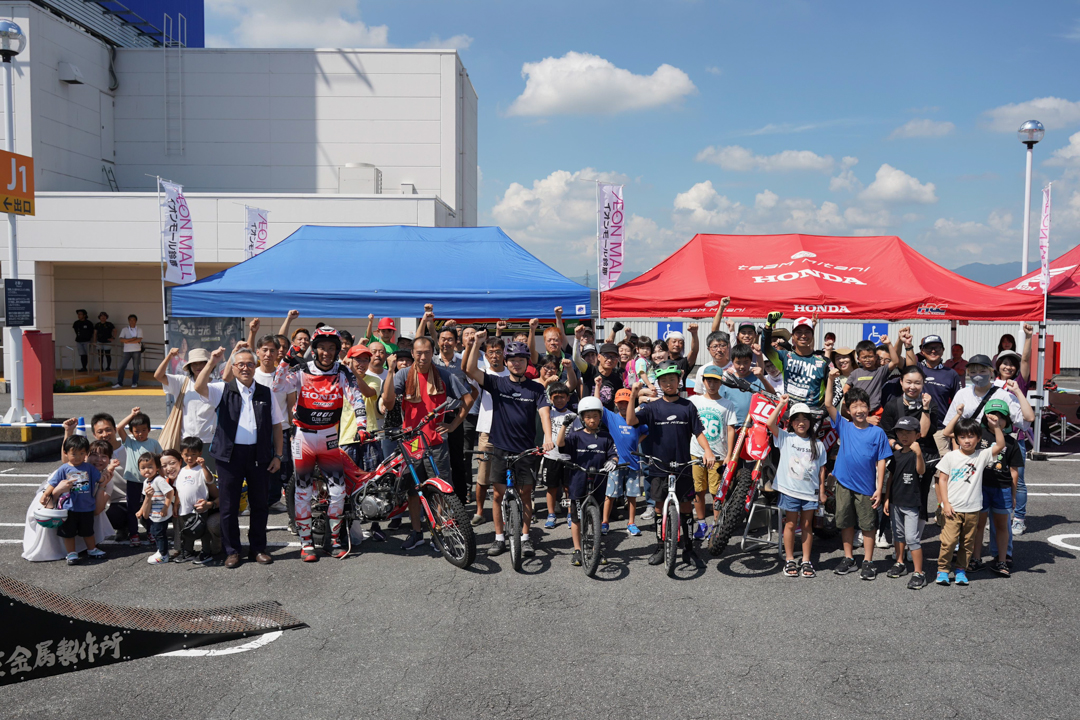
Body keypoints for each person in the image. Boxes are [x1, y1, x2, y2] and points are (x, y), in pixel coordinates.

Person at [271, 328, 369, 563]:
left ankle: (333, 540)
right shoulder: (302, 369)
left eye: (332, 348)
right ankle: (306, 544)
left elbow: (356, 397)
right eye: (322, 348)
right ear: (314, 350)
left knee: (338, 491)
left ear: (337, 350)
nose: (327, 352)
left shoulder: (342, 371)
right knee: (303, 491)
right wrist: (286, 360)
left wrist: (362, 425)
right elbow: (277, 386)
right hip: (303, 437)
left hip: (329, 437)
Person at [463, 332, 553, 558]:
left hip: (526, 449)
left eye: (521, 360)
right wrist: (476, 344)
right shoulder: (497, 382)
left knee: (525, 494)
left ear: (527, 362)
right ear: (506, 361)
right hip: (500, 447)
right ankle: (499, 538)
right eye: (512, 360)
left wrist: (548, 438)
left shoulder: (536, 388)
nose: (516, 363)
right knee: (497, 495)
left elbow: (544, 413)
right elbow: (470, 370)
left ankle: (525, 537)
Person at [197, 346, 284, 568]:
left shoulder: (266, 392)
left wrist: (278, 455)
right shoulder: (222, 389)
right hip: (229, 456)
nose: (245, 368)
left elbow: (277, 425)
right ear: (233, 368)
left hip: (259, 455)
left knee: (260, 504)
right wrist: (212, 361)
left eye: (250, 364)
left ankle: (258, 549)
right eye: (241, 364)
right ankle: (232, 551)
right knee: (228, 506)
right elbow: (199, 386)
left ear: (255, 367)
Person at [383, 334, 472, 550]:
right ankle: (416, 532)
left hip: (436, 442)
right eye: (419, 353)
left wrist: (453, 425)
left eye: (427, 352)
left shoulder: (443, 374)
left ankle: (437, 533)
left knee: (439, 490)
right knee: (414, 491)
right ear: (412, 353)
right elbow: (388, 402)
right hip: (411, 443)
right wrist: (390, 372)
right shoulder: (403, 374)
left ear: (433, 353)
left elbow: (468, 399)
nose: (423, 357)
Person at [626, 361, 716, 567]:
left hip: (683, 465)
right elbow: (631, 421)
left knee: (686, 507)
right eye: (664, 380)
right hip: (659, 466)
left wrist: (708, 451)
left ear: (679, 381)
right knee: (659, 506)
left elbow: (698, 432)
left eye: (672, 379)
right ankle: (660, 546)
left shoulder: (688, 406)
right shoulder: (652, 407)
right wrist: (633, 395)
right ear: (658, 383)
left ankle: (689, 549)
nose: (668, 383)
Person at [824, 372, 892, 580]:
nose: (859, 410)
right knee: (845, 522)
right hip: (844, 484)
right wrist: (831, 380)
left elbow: (882, 461)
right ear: (848, 410)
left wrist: (879, 488)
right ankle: (849, 558)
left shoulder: (877, 432)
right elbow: (828, 404)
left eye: (863, 406)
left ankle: (868, 561)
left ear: (869, 407)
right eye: (854, 406)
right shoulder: (843, 425)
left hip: (867, 487)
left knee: (868, 525)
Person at [935, 414, 1006, 586]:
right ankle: (943, 570)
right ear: (957, 439)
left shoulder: (982, 455)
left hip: (973, 509)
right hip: (952, 508)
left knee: (968, 543)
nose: (967, 440)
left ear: (978, 438)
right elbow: (942, 480)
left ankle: (961, 570)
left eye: (971, 436)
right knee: (949, 542)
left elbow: (1000, 445)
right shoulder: (950, 456)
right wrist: (945, 503)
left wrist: (996, 426)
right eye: (962, 437)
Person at [767, 399, 827, 579]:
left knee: (807, 525)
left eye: (805, 419)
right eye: (797, 419)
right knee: (791, 524)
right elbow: (770, 423)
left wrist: (822, 491)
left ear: (811, 422)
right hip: (790, 490)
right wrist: (781, 404)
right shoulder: (786, 437)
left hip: (810, 492)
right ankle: (790, 559)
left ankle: (806, 560)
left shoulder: (818, 444)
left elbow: (821, 469)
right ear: (791, 422)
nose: (801, 423)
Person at [556, 396, 617, 566]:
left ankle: (597, 548)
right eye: (588, 417)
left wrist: (613, 461)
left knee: (596, 518)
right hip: (578, 481)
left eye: (595, 416)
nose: (592, 420)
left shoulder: (606, 436)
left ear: (600, 417)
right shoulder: (576, 436)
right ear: (582, 418)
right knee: (576, 518)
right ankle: (577, 549)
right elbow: (560, 445)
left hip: (599, 481)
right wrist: (565, 425)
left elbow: (613, 454)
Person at [40, 435, 109, 566]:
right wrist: (45, 495)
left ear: (86, 453)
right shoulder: (63, 468)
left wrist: (105, 476)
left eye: (82, 453)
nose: (78, 457)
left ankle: (92, 549)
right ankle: (71, 553)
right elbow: (53, 483)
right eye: (74, 454)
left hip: (86, 507)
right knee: (68, 533)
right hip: (68, 508)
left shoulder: (89, 468)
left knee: (88, 531)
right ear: (66, 453)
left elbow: (99, 478)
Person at [689, 365, 737, 537]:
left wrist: (729, 455)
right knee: (698, 489)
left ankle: (717, 525)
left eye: (715, 381)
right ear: (703, 381)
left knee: (717, 492)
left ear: (721, 383)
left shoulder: (727, 404)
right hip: (697, 453)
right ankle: (701, 523)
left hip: (719, 454)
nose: (712, 384)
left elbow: (730, 430)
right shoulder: (694, 401)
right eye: (708, 380)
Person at [882, 416, 928, 588]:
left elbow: (921, 471)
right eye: (900, 432)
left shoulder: (917, 454)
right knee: (898, 535)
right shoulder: (896, 455)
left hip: (911, 503)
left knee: (912, 538)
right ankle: (899, 562)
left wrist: (919, 454)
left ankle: (919, 572)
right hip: (896, 501)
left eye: (908, 432)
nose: (904, 436)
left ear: (917, 435)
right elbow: (891, 478)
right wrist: (887, 498)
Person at [467, 335, 509, 526]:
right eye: (491, 352)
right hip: (487, 430)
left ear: (504, 353)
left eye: (498, 352)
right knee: (483, 476)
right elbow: (468, 369)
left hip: (509, 431)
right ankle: (479, 511)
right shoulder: (483, 373)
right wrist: (475, 344)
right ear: (486, 355)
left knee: (508, 473)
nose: (494, 355)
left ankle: (508, 509)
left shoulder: (511, 373)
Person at [899, 333, 962, 457]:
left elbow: (957, 403)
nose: (933, 351)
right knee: (911, 463)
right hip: (913, 427)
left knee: (941, 466)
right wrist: (908, 345)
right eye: (929, 348)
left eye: (937, 347)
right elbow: (908, 364)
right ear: (922, 351)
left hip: (940, 429)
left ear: (943, 350)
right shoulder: (917, 369)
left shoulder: (951, 374)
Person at [942, 354, 1033, 433]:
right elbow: (950, 424)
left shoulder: (1004, 395)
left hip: (995, 445)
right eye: (973, 372)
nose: (978, 375)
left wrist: (1018, 391)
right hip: (967, 446)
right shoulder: (962, 394)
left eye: (982, 371)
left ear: (991, 372)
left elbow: (1028, 419)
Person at [155, 347, 218, 459]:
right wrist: (169, 356)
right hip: (187, 440)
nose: (198, 366)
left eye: (202, 363)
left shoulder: (217, 385)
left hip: (211, 440)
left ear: (208, 364)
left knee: (208, 470)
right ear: (189, 366)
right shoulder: (182, 382)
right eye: (194, 364)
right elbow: (158, 376)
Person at [600, 387, 648, 536]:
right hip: (615, 464)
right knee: (610, 495)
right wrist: (597, 385)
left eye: (626, 402)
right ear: (615, 403)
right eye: (620, 402)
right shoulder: (611, 417)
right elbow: (598, 404)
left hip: (633, 463)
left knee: (632, 496)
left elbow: (646, 431)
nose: (623, 405)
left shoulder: (636, 420)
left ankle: (631, 523)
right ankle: (604, 522)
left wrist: (637, 442)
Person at [762, 314, 829, 409]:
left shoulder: (824, 362)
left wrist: (824, 410)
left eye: (807, 332)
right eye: (799, 332)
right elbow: (766, 349)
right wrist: (768, 327)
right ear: (792, 336)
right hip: (789, 412)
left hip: (813, 414)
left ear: (812, 334)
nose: (803, 335)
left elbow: (835, 390)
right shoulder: (785, 357)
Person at [175, 436, 222, 565]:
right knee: (186, 531)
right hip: (184, 508)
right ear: (181, 454)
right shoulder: (181, 471)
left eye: (193, 454)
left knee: (203, 531)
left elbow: (210, 480)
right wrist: (176, 504)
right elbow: (179, 489)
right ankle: (188, 552)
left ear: (200, 454)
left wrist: (204, 466)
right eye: (186, 455)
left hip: (200, 507)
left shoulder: (201, 469)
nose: (189, 458)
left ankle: (206, 552)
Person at [118, 407, 161, 546]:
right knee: (132, 508)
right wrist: (132, 415)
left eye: (144, 430)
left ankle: (151, 532)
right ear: (131, 431)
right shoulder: (130, 443)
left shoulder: (154, 443)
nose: (140, 434)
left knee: (150, 507)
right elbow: (119, 428)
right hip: (133, 481)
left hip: (150, 482)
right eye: (136, 431)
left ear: (149, 429)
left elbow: (160, 460)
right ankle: (134, 534)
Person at [541, 382, 578, 529]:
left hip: (568, 458)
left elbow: (578, 436)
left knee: (568, 488)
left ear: (568, 398)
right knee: (552, 488)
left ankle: (569, 513)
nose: (559, 400)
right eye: (555, 397)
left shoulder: (574, 416)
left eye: (562, 397)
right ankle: (551, 514)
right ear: (551, 398)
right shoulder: (547, 413)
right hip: (551, 456)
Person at [846, 336, 901, 421]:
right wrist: (848, 402)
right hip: (858, 410)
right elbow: (846, 389)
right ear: (858, 359)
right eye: (864, 357)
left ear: (875, 357)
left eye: (870, 356)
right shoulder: (855, 373)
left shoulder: (880, 371)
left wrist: (889, 344)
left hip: (876, 411)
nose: (867, 359)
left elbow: (895, 361)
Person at [134, 452, 174, 565]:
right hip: (154, 513)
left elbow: (170, 492)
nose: (146, 470)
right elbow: (146, 499)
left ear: (157, 467)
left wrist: (165, 507)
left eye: (150, 467)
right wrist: (141, 510)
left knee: (159, 533)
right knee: (155, 532)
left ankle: (163, 554)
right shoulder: (146, 482)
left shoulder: (158, 480)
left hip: (161, 513)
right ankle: (160, 551)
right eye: (143, 468)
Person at [664, 324, 700, 392]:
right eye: (674, 342)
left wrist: (694, 333)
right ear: (667, 344)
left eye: (680, 342)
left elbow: (694, 351)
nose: (677, 344)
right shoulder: (661, 361)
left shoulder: (684, 362)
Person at [113, 314, 144, 388]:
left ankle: (135, 382)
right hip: (126, 350)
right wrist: (132, 339)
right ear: (128, 321)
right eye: (130, 320)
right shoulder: (125, 329)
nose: (132, 321)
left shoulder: (139, 329)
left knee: (136, 367)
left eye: (133, 320)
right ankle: (119, 383)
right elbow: (121, 339)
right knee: (122, 366)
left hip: (136, 350)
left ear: (136, 321)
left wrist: (127, 341)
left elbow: (139, 339)